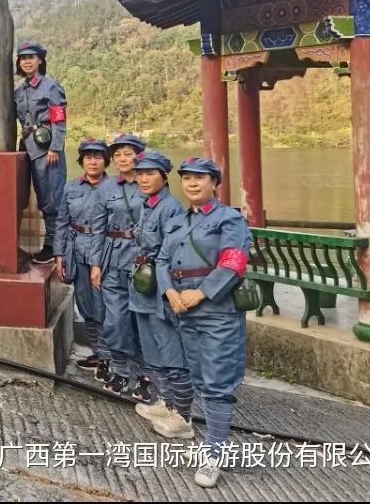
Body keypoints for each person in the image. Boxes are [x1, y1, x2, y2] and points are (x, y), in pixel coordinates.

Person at [158, 156, 251, 488]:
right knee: (198, 378)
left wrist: (201, 293)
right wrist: (168, 290)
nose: (193, 183)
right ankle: (209, 443)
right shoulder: (177, 221)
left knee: (217, 385)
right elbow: (162, 259)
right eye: (187, 178)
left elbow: (233, 262)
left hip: (217, 313)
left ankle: (213, 456)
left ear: (214, 183)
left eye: (200, 178)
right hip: (183, 310)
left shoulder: (229, 219)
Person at [129, 151, 193, 438]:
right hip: (143, 284)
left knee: (170, 350)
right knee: (151, 348)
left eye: (150, 173)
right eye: (140, 173)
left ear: (164, 177)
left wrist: (170, 291)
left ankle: (182, 416)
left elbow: (173, 254)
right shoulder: (149, 204)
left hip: (161, 287)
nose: (143, 179)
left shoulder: (171, 208)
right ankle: (165, 402)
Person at [90, 133, 146, 397]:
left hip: (140, 260)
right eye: (117, 155)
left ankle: (145, 375)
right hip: (112, 258)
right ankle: (121, 371)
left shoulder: (150, 182)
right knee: (115, 320)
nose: (123, 159)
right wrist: (95, 263)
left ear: (139, 155)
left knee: (142, 319)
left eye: (128, 153)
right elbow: (98, 227)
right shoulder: (107, 187)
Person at [55, 138, 111, 380]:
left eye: (98, 157)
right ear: (81, 161)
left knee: (104, 307)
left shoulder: (114, 188)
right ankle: (98, 353)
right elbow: (61, 222)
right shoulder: (70, 188)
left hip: (104, 253)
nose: (93, 161)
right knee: (85, 305)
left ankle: (109, 358)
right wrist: (59, 255)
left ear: (105, 161)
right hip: (77, 249)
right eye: (88, 157)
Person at [14, 41, 68, 264]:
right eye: (23, 58)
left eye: (31, 57)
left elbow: (59, 118)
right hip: (27, 149)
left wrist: (55, 147)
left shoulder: (50, 86)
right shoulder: (19, 91)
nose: (27, 61)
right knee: (27, 195)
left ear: (40, 60)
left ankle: (54, 246)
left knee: (51, 198)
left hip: (46, 150)